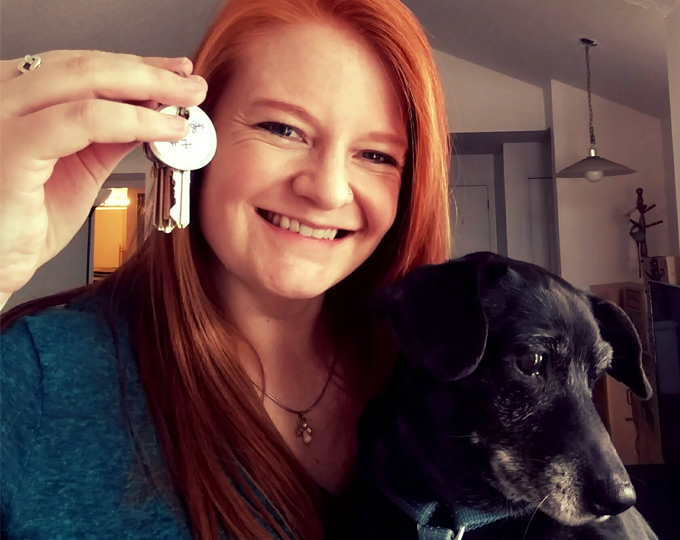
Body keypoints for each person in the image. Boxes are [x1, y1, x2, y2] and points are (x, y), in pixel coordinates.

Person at [0, 0, 450, 538]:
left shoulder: (442, 380)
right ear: (191, 139)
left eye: (377, 156)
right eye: (282, 128)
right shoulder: (38, 374)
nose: (328, 190)